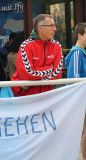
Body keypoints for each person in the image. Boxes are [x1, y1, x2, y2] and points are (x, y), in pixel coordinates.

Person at [11, 14, 63, 97]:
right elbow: (26, 74)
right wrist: (50, 68)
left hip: (46, 98)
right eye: (51, 26)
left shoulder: (57, 46)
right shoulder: (26, 46)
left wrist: (33, 80)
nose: (55, 29)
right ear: (40, 28)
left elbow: (57, 75)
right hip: (25, 98)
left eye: (54, 26)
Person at [65, 22, 86, 160]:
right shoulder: (77, 52)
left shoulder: (80, 52)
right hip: (82, 97)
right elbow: (75, 78)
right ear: (80, 35)